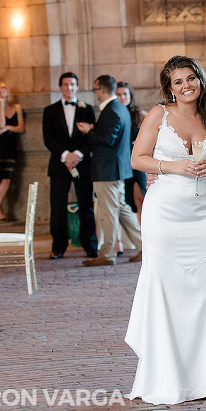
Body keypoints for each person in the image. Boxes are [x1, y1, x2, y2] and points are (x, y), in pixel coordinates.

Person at [126, 56, 206, 403]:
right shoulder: (159, 114)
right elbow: (137, 158)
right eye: (178, 82)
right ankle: (165, 378)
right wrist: (173, 167)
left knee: (202, 289)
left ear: (200, 79)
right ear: (169, 88)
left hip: (200, 215)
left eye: (191, 78)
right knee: (165, 289)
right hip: (164, 213)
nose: (186, 86)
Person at [77, 75, 142, 267]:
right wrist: (95, 130)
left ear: (102, 90)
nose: (95, 93)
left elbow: (109, 140)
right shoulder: (119, 108)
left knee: (109, 213)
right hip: (115, 169)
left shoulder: (112, 110)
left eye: (95, 89)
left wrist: (89, 132)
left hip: (108, 170)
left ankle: (107, 254)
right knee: (121, 209)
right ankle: (145, 247)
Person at [42, 72, 98, 259]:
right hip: (59, 165)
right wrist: (66, 156)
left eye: (72, 84)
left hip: (82, 164)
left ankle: (90, 244)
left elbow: (91, 137)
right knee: (57, 206)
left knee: (86, 205)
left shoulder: (87, 109)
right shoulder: (50, 110)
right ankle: (58, 246)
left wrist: (78, 155)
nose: (69, 88)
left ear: (77, 87)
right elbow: (48, 139)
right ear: (60, 87)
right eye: (65, 84)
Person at [116, 82, 147, 262]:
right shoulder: (115, 114)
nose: (122, 98)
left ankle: (145, 243)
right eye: (119, 94)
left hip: (138, 165)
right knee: (122, 204)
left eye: (125, 94)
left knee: (140, 200)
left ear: (130, 96)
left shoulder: (139, 114)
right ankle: (119, 243)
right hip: (122, 165)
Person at [0, 82, 25, 221]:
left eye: (3, 88)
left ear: (7, 90)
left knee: (7, 177)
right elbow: (0, 123)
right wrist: (1, 105)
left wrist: (8, 128)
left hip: (10, 144)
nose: (0, 91)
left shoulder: (16, 107)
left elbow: (20, 128)